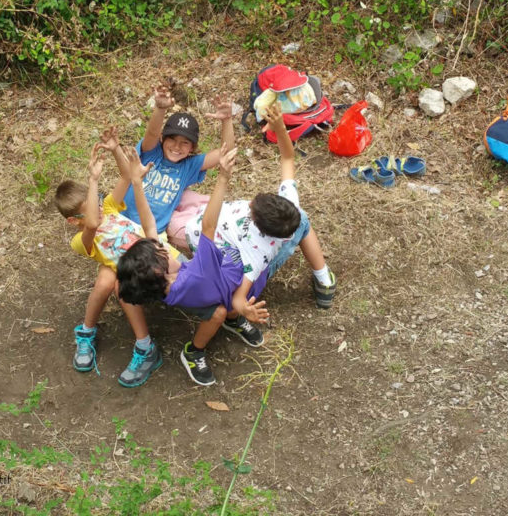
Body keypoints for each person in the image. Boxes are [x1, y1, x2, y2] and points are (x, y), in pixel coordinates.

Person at [117, 106, 336, 386]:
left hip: (215, 279)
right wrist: (222, 178)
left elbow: (150, 227)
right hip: (228, 285)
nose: (165, 248)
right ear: (162, 272)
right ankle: (195, 351)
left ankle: (231, 319)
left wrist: (137, 183)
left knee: (223, 304)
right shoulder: (203, 272)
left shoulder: (169, 276)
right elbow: (209, 228)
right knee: (221, 310)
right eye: (162, 251)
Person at [54, 130, 178, 387]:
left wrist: (115, 149)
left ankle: (142, 347)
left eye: (98, 203)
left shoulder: (109, 208)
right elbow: (91, 224)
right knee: (112, 283)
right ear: (73, 221)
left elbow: (126, 176)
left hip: (158, 255)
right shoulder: (81, 240)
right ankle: (105, 337)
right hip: (134, 271)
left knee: (113, 280)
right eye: (92, 208)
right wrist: (93, 181)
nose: (99, 209)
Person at [121, 83, 234, 249]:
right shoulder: (151, 153)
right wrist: (160, 109)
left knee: (165, 264)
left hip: (154, 234)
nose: (176, 146)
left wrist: (227, 120)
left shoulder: (189, 166)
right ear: (162, 139)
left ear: (192, 148)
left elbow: (226, 151)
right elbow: (151, 133)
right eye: (172, 139)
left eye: (184, 142)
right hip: (123, 223)